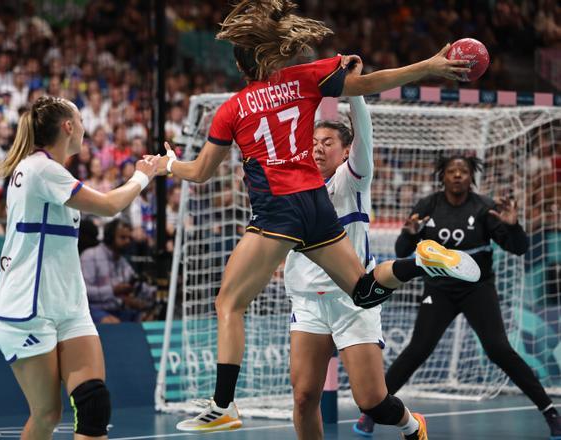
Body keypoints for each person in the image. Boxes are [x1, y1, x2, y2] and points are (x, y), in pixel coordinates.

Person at [160, 0, 479, 432]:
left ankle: (223, 405)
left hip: (279, 210)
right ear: (273, 55)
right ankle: (419, 262)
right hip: (315, 204)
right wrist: (429, 65)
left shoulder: (233, 108)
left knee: (228, 303)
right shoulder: (303, 78)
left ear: (242, 66)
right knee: (364, 290)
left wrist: (163, 166)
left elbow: (199, 173)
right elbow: (371, 82)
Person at [354, 155, 561, 439]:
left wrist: (513, 226)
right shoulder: (428, 206)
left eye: (463, 171)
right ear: (443, 176)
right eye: (452, 171)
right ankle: (372, 412)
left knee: (499, 349)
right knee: (417, 350)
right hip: (439, 289)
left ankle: (550, 412)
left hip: (477, 289)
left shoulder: (485, 208)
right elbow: (403, 250)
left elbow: (520, 248)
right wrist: (408, 233)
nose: (457, 175)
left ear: (470, 177)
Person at [0, 95, 158, 440]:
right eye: (80, 120)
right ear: (68, 126)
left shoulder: (52, 170)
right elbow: (111, 205)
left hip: (69, 305)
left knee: (94, 405)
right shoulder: (40, 168)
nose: (84, 127)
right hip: (28, 310)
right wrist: (143, 176)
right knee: (47, 415)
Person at [285, 96, 427, 440]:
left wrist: (356, 93)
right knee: (304, 397)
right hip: (307, 303)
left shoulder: (352, 182)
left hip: (354, 301)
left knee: (371, 400)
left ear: (346, 151)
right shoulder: (294, 187)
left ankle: (412, 425)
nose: (318, 149)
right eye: (314, 143)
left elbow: (365, 132)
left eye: (328, 143)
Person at [80, 219, 151, 324]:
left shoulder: (122, 261)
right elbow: (84, 292)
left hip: (119, 309)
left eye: (129, 238)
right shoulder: (90, 256)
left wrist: (155, 291)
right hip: (94, 310)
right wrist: (113, 291)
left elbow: (137, 285)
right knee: (112, 323)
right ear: (110, 237)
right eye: (123, 238)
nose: (128, 241)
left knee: (149, 318)